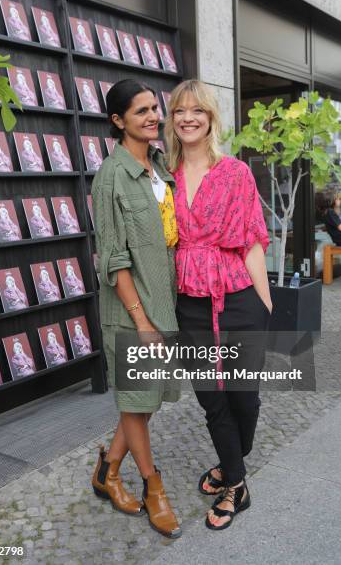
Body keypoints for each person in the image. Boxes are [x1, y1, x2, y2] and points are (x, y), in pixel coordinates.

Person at [165, 79, 271, 531]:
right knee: (212, 398)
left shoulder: (236, 173)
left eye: (197, 111)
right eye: (179, 111)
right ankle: (237, 483)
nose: (188, 118)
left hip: (239, 297)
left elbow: (252, 241)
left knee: (244, 397)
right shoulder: (162, 177)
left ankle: (230, 462)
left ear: (210, 119)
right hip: (191, 301)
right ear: (172, 121)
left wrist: (265, 304)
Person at [91, 79, 181, 539]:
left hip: (161, 302)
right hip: (130, 312)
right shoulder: (110, 177)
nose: (153, 116)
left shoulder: (160, 165)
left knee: (141, 403)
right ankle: (153, 488)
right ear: (117, 121)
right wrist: (141, 322)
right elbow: (114, 257)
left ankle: (106, 470)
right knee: (137, 401)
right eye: (141, 111)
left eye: (155, 108)